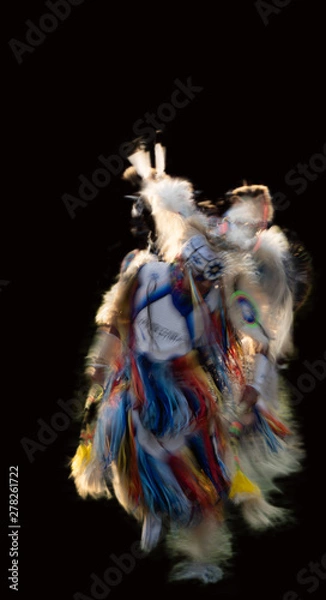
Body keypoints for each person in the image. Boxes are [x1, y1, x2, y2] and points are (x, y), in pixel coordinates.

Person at [70, 143, 310, 584]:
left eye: (210, 271)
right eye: (198, 266)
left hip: (183, 386)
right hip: (139, 377)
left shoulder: (225, 292)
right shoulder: (144, 272)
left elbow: (259, 338)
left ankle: (201, 554)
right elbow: (116, 321)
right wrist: (100, 362)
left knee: (198, 462)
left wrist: (255, 383)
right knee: (129, 436)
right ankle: (152, 505)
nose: (201, 275)